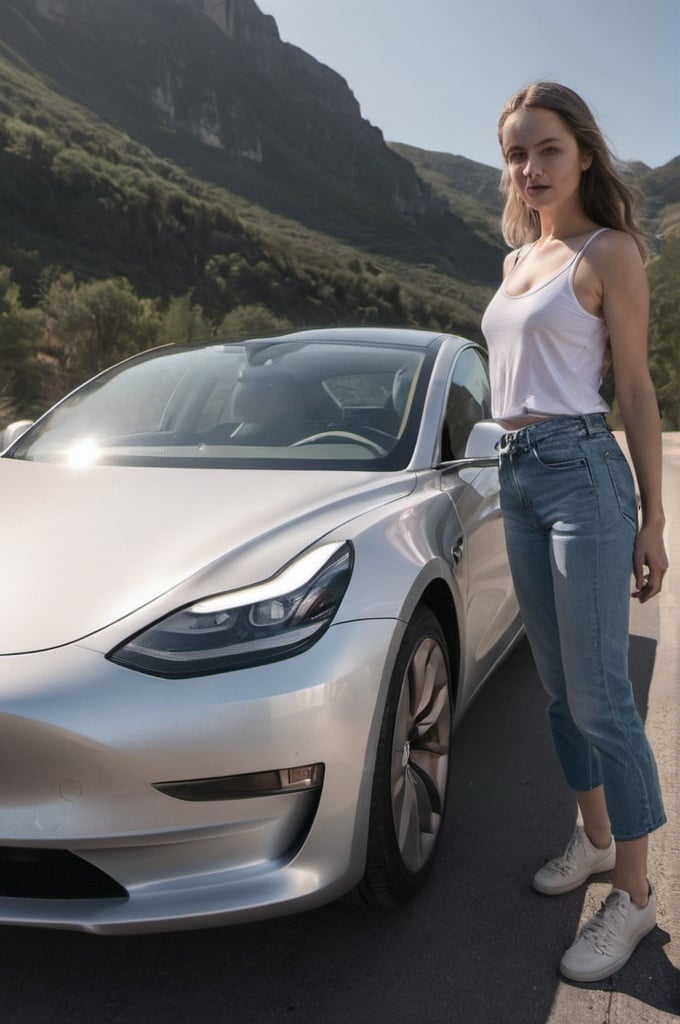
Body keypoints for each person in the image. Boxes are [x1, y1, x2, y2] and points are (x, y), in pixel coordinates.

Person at [481, 82, 668, 983]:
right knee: (558, 692)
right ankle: (594, 840)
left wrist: (652, 516)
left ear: (584, 153)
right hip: (516, 475)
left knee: (601, 697)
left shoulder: (609, 251)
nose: (530, 168)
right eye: (517, 152)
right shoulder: (519, 258)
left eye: (547, 149)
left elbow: (634, 388)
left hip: (584, 477)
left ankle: (633, 895)